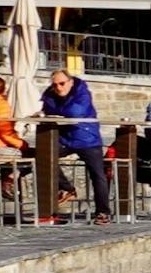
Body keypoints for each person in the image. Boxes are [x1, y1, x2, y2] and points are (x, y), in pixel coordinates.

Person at [40, 64, 111, 224]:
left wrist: (55, 112)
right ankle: (66, 188)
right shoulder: (50, 94)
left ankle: (103, 213)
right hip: (64, 138)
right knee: (44, 157)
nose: (58, 88)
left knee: (97, 174)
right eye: (55, 84)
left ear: (70, 82)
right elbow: (46, 109)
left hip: (87, 137)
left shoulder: (82, 91)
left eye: (62, 83)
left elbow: (75, 112)